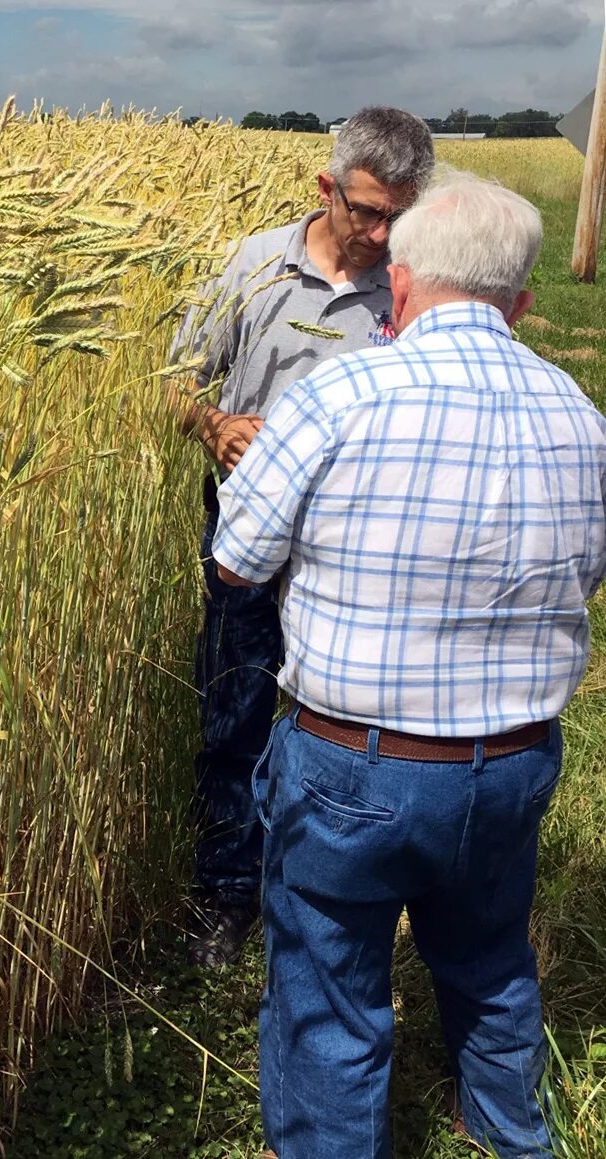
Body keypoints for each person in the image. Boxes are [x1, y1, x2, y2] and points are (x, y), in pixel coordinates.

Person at [213, 170, 606, 1158]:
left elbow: (237, 560)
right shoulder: (583, 420)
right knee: (488, 960)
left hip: (351, 762)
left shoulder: (335, 394)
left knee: (327, 990)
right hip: (510, 762)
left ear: (398, 283)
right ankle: (509, 1134)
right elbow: (586, 575)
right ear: (520, 304)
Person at [166, 107, 435, 966]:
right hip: (245, 531)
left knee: (342, 720)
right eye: (366, 211)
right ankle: (226, 889)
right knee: (237, 703)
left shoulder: (411, 282)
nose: (381, 232)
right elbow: (172, 383)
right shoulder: (253, 265)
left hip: (359, 545)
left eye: (399, 213)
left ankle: (323, 888)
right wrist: (211, 426)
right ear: (325, 188)